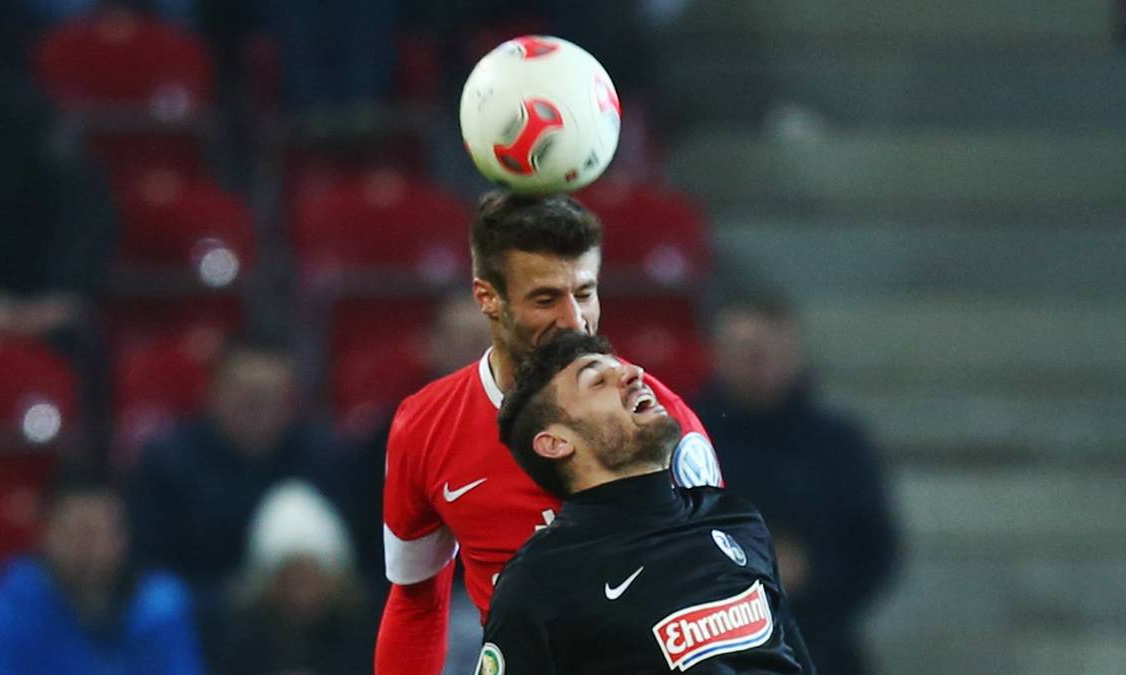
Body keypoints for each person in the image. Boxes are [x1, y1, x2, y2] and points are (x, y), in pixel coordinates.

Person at [376, 192, 723, 673]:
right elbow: (416, 602)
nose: (575, 321)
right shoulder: (424, 426)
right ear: (488, 299)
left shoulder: (662, 422)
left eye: (584, 293)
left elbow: (722, 600)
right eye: (546, 299)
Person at [481, 330, 814, 673]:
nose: (633, 372)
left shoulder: (734, 518)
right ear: (555, 443)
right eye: (597, 381)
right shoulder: (542, 580)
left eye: (620, 367)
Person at [693, 297, 898, 675]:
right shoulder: (684, 443)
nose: (756, 365)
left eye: (766, 352)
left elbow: (875, 550)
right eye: (743, 352)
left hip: (821, 645)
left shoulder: (838, 443)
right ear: (716, 353)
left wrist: (813, 570)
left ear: (794, 353)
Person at [126, 338, 373, 652]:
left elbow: (365, 568)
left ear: (292, 401)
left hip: (318, 632)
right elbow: (146, 573)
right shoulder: (169, 463)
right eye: (245, 397)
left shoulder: (328, 460)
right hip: (206, 628)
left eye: (271, 398)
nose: (258, 410)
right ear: (212, 394)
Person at [0, 0, 114, 341]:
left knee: (78, 336)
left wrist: (59, 290)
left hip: (37, 299)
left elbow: (79, 206)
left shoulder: (27, 118)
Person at [0, 471, 205, 675]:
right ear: (45, 535)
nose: (91, 549)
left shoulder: (160, 608)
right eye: (78, 533)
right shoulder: (5, 615)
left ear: (124, 538)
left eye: (102, 533)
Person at [216, 479, 372, 675]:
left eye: (311, 580)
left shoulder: (358, 630)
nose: (302, 596)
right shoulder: (243, 633)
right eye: (292, 581)